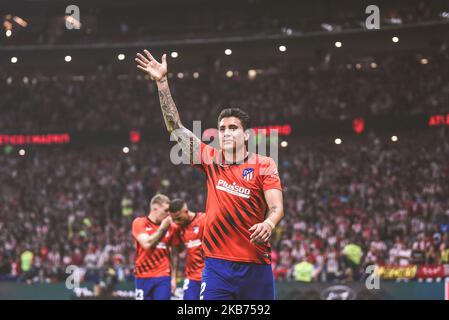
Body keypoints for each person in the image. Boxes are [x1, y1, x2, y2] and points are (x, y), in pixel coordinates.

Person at [135, 50, 284, 300]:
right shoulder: (210, 159)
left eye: (233, 128)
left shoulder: (264, 164)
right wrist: (162, 84)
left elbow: (276, 207)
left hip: (255, 264)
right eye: (222, 128)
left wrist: (269, 223)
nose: (226, 133)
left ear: (246, 135)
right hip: (216, 267)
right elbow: (175, 127)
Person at [131, 194, 177, 300]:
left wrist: (173, 278)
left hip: (163, 276)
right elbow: (146, 244)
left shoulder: (172, 227)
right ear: (155, 209)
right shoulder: (139, 223)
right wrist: (162, 228)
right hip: (142, 276)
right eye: (166, 210)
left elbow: (174, 253)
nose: (168, 214)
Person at [168, 199, 206, 300]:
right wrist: (173, 278)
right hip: (192, 277)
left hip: (209, 275)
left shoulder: (204, 220)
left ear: (186, 211)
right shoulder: (177, 227)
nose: (176, 222)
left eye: (178, 218)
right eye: (173, 219)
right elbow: (175, 252)